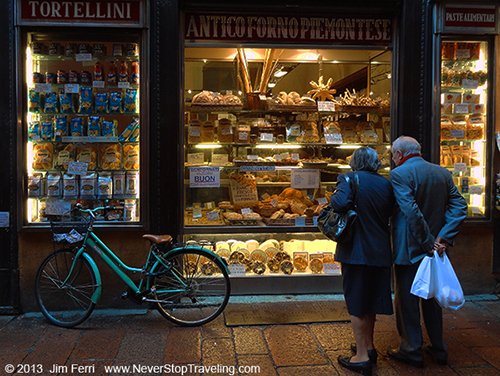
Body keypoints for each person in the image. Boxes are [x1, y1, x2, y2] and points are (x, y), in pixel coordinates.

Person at [388, 136, 467, 368]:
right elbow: (459, 206)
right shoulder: (441, 173)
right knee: (433, 296)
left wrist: (428, 242)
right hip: (437, 248)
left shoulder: (399, 174)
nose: (393, 160)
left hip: (411, 247)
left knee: (407, 299)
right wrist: (444, 237)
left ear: (399, 155)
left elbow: (410, 211)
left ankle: (411, 349)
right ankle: (438, 348)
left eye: (393, 156)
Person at [331, 147, 394, 376]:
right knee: (371, 300)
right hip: (380, 249)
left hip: (356, 250)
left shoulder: (349, 178)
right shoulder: (386, 183)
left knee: (356, 301)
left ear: (354, 162)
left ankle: (361, 357)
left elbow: (338, 204)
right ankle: (368, 345)